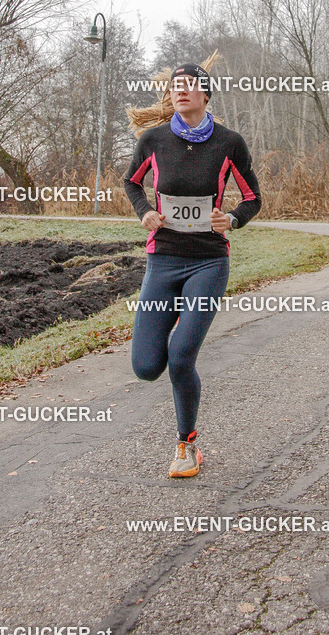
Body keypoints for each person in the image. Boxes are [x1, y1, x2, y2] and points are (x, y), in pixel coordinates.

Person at [123, 62, 262, 477]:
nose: (181, 91)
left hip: (208, 261)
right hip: (162, 260)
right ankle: (163, 357)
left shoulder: (228, 142)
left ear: (206, 94)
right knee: (147, 368)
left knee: (181, 357)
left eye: (190, 85)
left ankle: (187, 446)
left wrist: (234, 219)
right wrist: (145, 210)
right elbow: (131, 182)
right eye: (175, 86)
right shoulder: (154, 140)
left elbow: (253, 197)